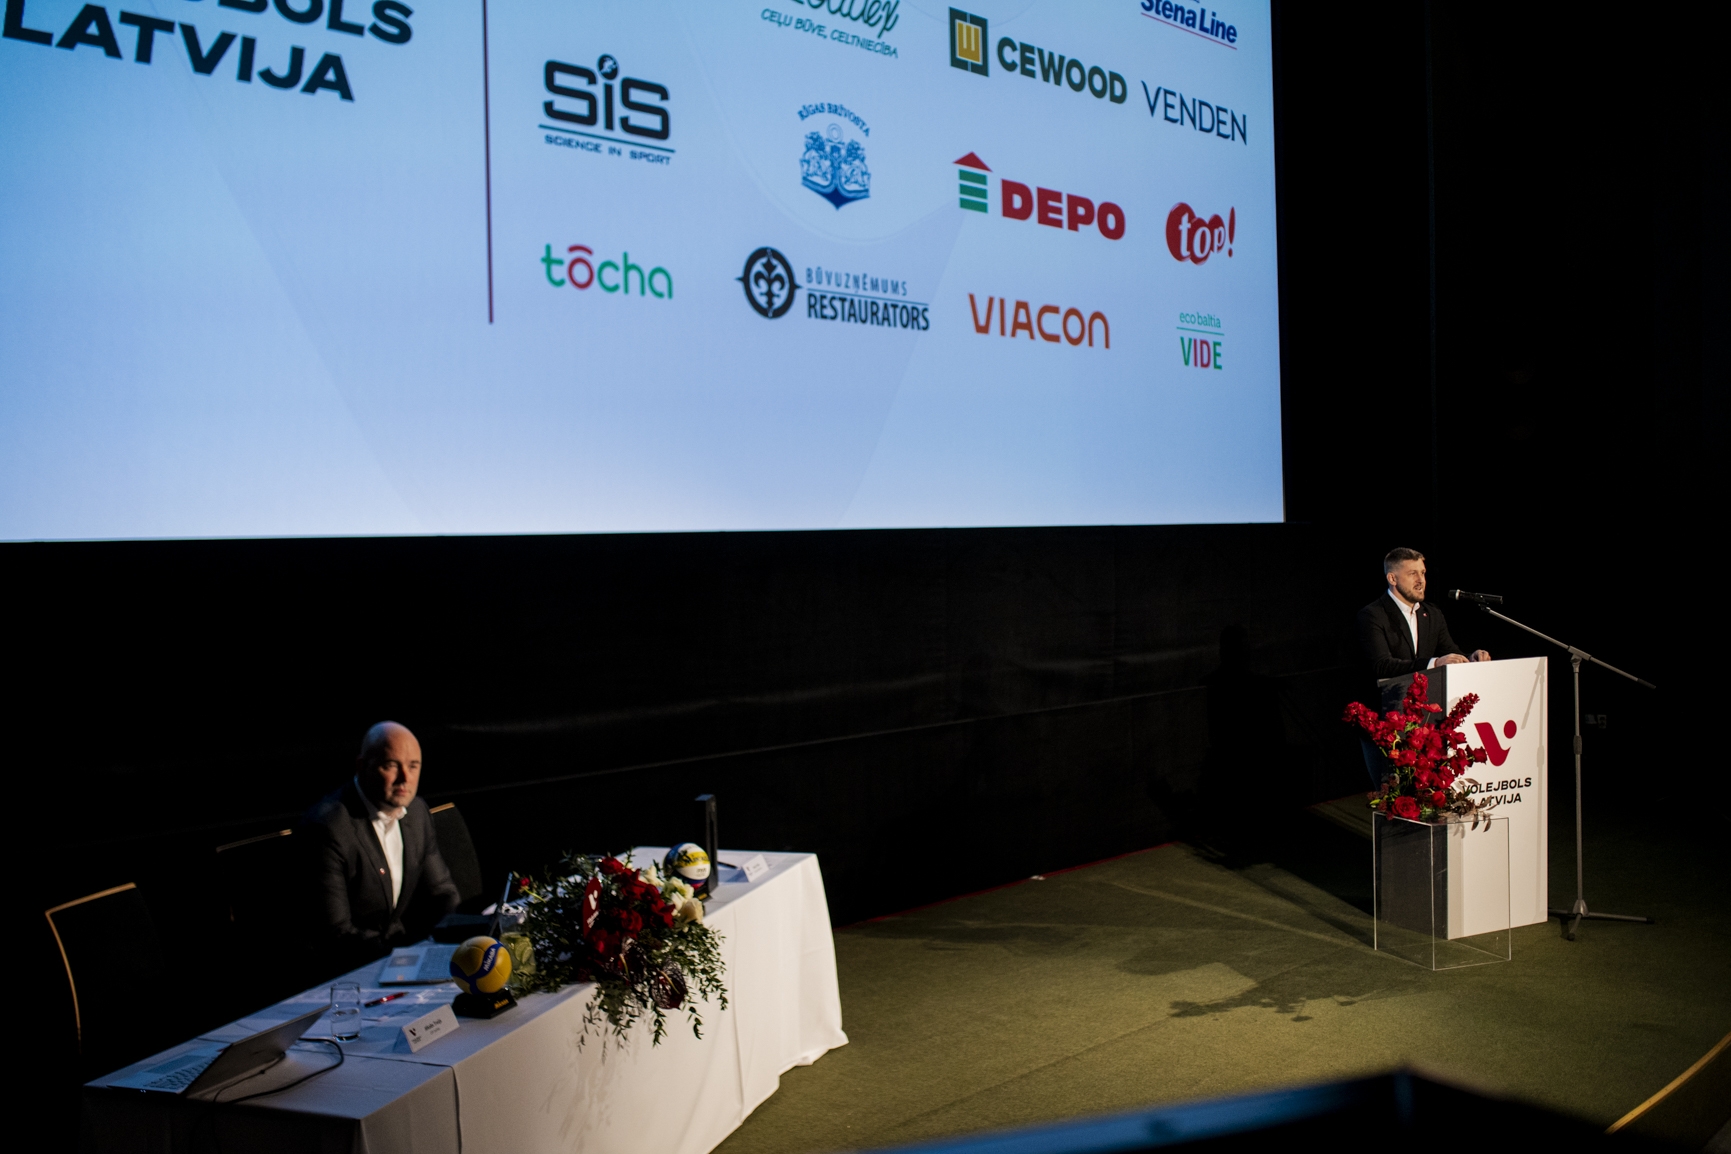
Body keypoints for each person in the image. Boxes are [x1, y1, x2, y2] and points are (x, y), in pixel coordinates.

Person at [301, 722, 459, 967]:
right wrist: (404, 960)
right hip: (342, 968)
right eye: (391, 766)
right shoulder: (328, 827)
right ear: (362, 766)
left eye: (413, 766)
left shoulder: (417, 811)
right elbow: (336, 933)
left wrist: (442, 948)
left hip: (397, 956)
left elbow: (443, 895)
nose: (404, 778)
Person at [1357, 547, 1491, 680]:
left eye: (1422, 573)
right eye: (1412, 574)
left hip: (1430, 692)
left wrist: (1470, 659)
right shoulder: (1372, 615)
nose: (1421, 580)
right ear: (1392, 579)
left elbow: (1450, 652)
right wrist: (1435, 663)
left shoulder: (1432, 614)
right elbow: (1382, 666)